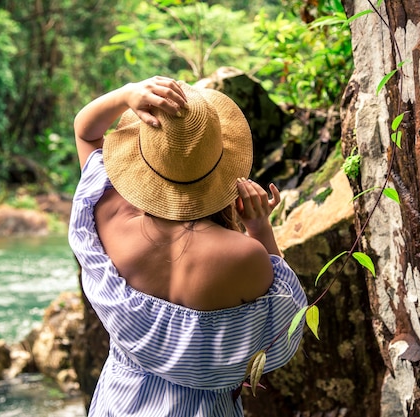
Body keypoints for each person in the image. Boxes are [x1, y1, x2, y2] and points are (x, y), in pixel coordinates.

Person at [68, 75, 307, 416]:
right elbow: (283, 327)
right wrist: (260, 228)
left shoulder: (107, 213)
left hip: (118, 403)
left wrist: (126, 94)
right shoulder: (244, 255)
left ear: (141, 158)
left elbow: (85, 131)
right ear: (222, 166)